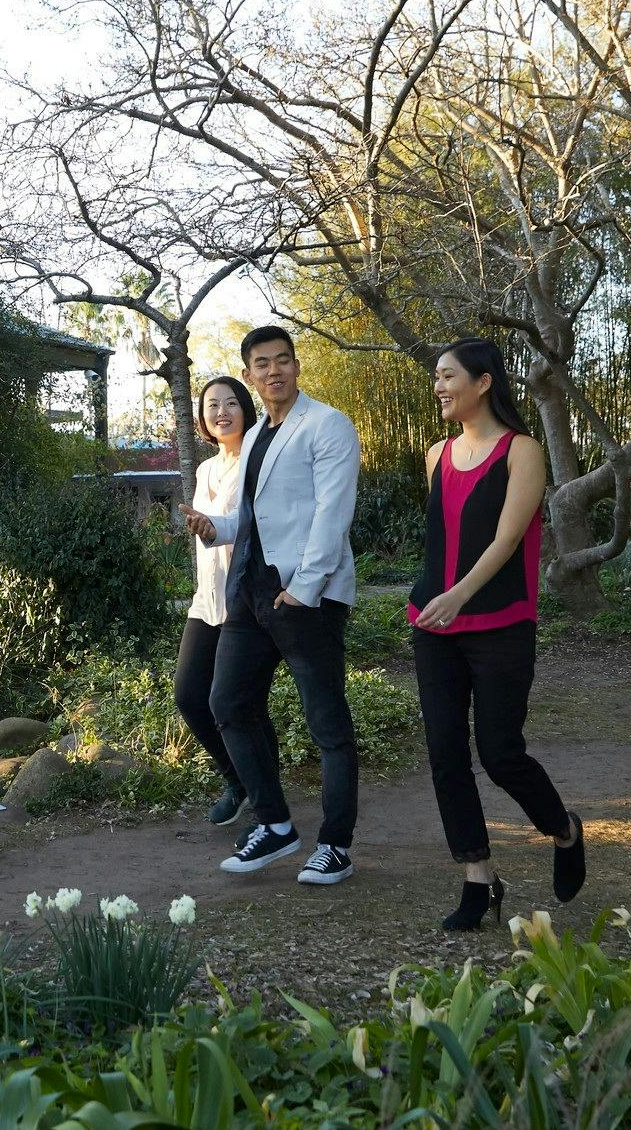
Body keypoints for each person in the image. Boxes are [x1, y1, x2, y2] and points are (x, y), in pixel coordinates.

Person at [410, 337, 585, 931]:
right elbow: (444, 538)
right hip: (433, 624)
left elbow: (507, 539)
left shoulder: (523, 451)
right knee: (445, 753)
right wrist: (439, 601)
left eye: (448, 376)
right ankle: (478, 878)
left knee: (500, 752)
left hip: (500, 624)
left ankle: (564, 829)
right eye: (436, 376)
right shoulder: (435, 455)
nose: (438, 386)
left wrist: (459, 596)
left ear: (483, 382)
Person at [179, 325, 362, 886]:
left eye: (282, 361)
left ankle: (336, 844)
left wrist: (304, 588)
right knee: (227, 702)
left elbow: (332, 513)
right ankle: (276, 824)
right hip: (252, 596)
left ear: (296, 366)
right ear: (251, 372)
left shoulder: (327, 425)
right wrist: (216, 528)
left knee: (326, 722)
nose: (273, 372)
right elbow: (255, 518)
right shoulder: (257, 434)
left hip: (306, 596)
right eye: (262, 364)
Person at [175, 376, 257, 828]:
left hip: (244, 599)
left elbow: (252, 519)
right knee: (189, 695)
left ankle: (262, 792)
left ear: (245, 407)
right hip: (206, 599)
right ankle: (238, 781)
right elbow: (203, 529)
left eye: (229, 403)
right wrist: (202, 526)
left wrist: (217, 525)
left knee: (237, 703)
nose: (221, 412)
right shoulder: (206, 469)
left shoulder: (258, 459)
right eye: (211, 405)